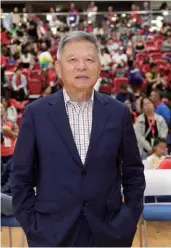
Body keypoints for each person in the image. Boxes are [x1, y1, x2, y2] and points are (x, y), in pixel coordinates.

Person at [11, 31, 145, 247]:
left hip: (109, 234)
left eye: (89, 59)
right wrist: (33, 226)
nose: (81, 66)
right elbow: (20, 179)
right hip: (52, 235)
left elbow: (134, 173)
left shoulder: (118, 113)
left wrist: (128, 220)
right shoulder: (36, 113)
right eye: (72, 59)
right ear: (58, 67)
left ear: (100, 68)